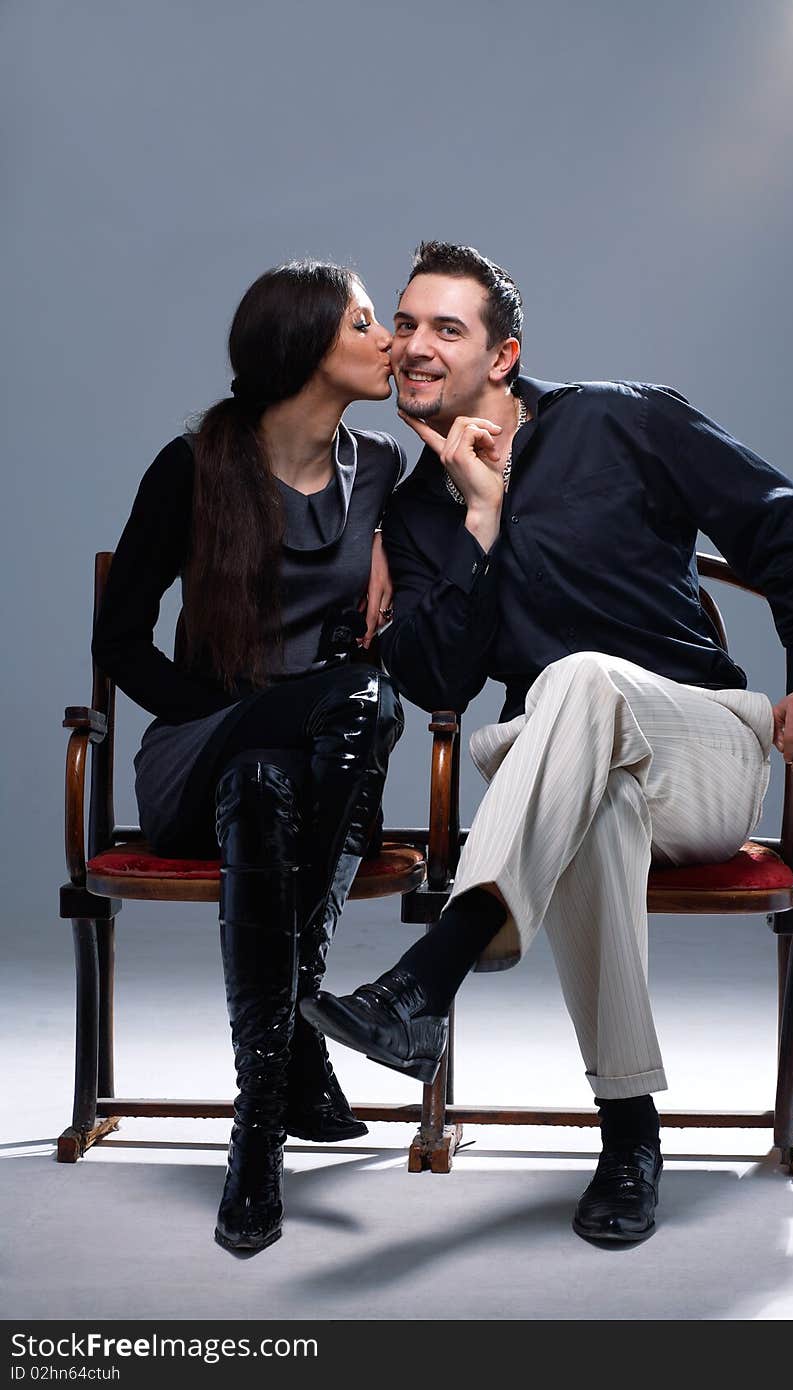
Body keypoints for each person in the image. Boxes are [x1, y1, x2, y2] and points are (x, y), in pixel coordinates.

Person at [302, 240, 793, 1245]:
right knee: (587, 784)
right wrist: (480, 520)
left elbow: (785, 523)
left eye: (445, 329)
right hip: (561, 773)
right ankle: (629, 1137)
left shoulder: (617, 418)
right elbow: (436, 679)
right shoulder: (422, 515)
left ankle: (435, 970)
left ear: (502, 357)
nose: (412, 347)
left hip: (704, 747)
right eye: (407, 324)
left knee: (579, 676)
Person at [91, 261, 405, 1255]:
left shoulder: (390, 474)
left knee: (272, 776)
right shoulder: (191, 465)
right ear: (311, 346)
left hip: (310, 782)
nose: (389, 338)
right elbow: (120, 643)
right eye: (367, 321)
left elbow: (468, 578)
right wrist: (228, 707)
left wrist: (421, 532)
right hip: (196, 751)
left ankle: (257, 1137)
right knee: (359, 699)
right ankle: (303, 1020)